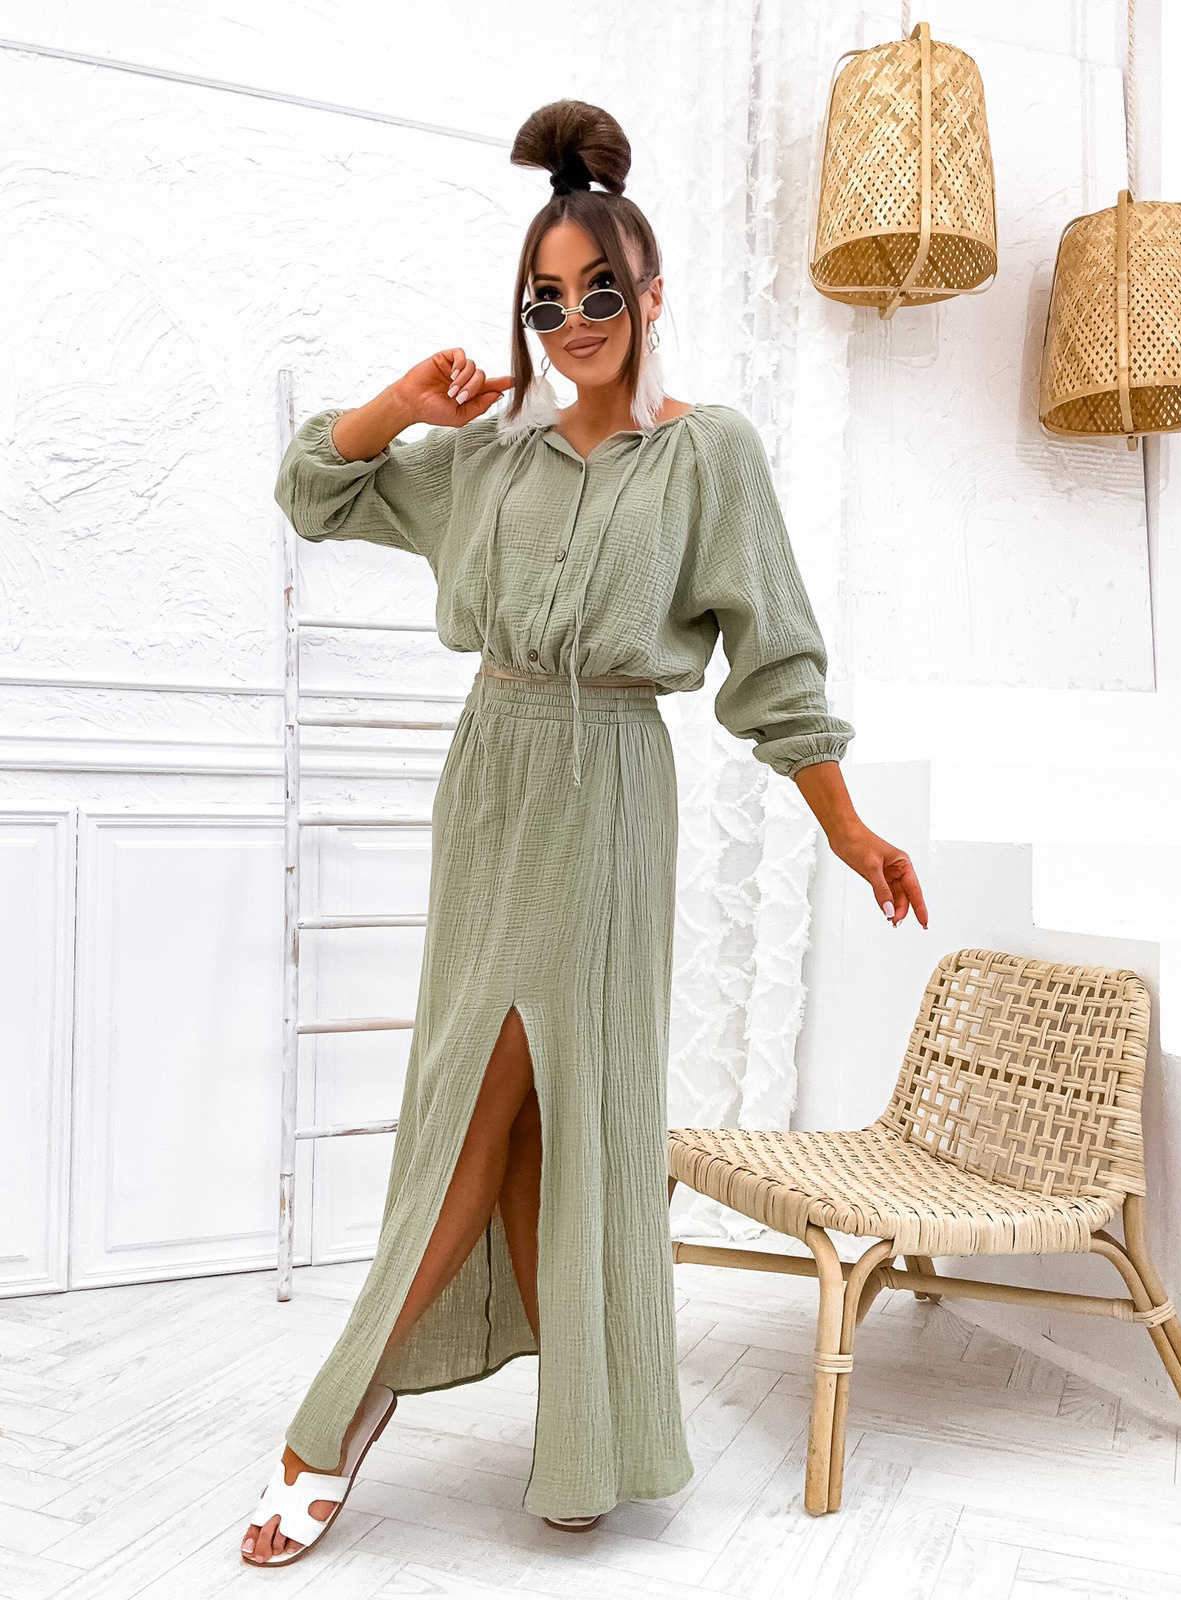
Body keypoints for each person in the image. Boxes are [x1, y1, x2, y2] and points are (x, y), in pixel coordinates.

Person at [243, 97, 927, 1568]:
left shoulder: (707, 456)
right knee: (486, 1106)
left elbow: (777, 664)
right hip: (491, 780)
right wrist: (402, 406)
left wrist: (849, 826)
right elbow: (313, 490)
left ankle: (369, 1419)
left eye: (599, 292)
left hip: (613, 792)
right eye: (546, 300)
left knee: (551, 1108)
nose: (573, 323)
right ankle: (405, 1420)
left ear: (652, 295)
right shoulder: (487, 460)